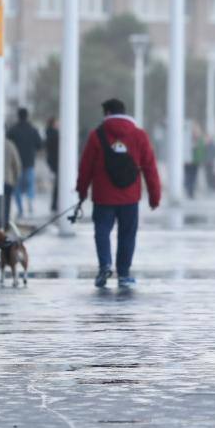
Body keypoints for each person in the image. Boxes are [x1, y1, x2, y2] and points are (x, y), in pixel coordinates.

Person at [77, 98, 162, 289]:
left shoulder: (96, 135)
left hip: (102, 196)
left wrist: (81, 192)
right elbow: (150, 167)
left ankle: (105, 265)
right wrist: (155, 196)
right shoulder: (139, 135)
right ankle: (123, 274)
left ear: (107, 113)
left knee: (102, 231)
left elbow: (85, 167)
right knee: (127, 235)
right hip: (130, 197)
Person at [7, 108, 43, 218]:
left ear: (18, 116)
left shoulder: (12, 130)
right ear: (27, 116)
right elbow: (40, 145)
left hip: (16, 164)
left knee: (17, 187)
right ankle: (30, 202)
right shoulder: (33, 129)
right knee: (30, 185)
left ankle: (20, 209)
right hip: (29, 162)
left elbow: (7, 143)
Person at [3, 138, 22, 228]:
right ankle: (5, 223)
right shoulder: (10, 145)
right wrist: (15, 178)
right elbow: (17, 164)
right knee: (7, 203)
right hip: (8, 179)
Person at [45, 117, 59, 212]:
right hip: (56, 161)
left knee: (56, 183)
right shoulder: (55, 134)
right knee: (58, 184)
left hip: (52, 161)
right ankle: (55, 204)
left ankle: (54, 204)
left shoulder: (48, 133)